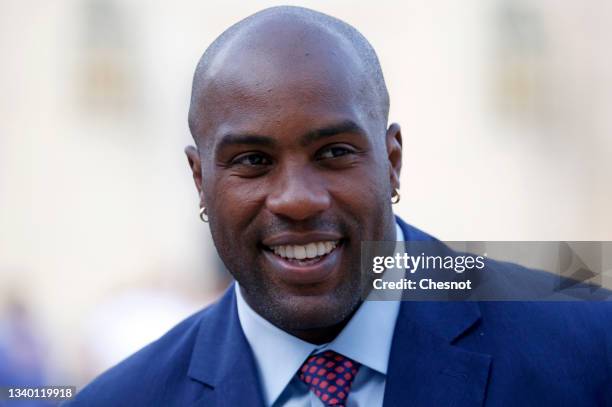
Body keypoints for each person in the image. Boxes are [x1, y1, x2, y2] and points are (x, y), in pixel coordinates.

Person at [66, 6, 612, 406]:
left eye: (333, 152)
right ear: (199, 180)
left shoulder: (589, 350)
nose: (297, 200)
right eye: (253, 161)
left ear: (392, 160)